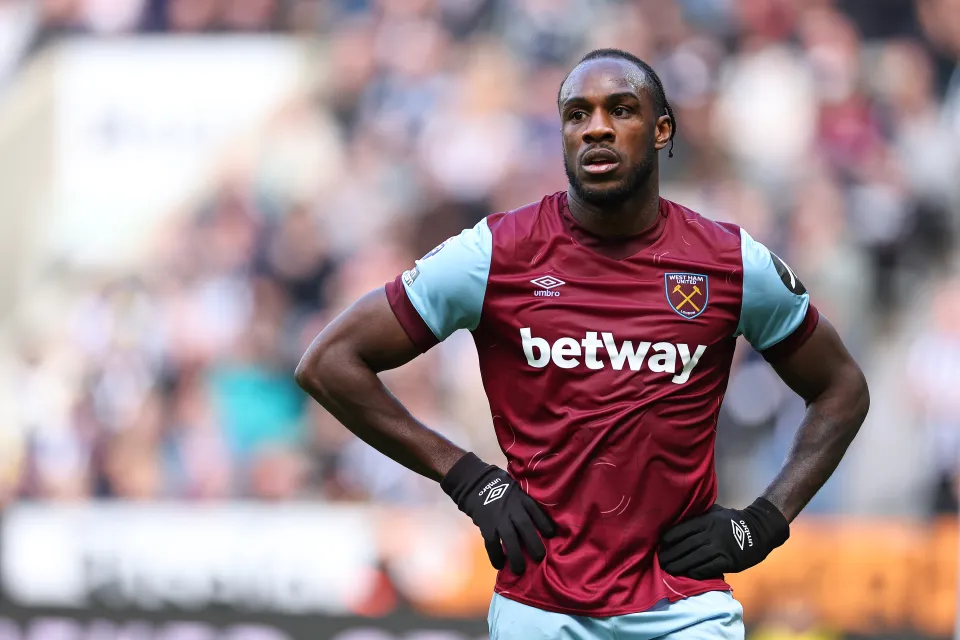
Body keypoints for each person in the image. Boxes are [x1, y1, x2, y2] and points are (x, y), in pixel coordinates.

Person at [295, 48, 870, 640]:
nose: (596, 127)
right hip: (540, 609)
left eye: (620, 110)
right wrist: (465, 477)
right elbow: (329, 362)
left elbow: (842, 388)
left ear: (661, 130)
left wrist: (765, 521)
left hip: (685, 609)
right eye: (577, 114)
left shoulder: (730, 262)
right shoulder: (495, 253)